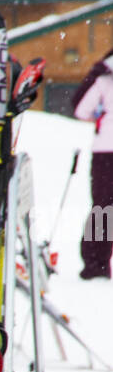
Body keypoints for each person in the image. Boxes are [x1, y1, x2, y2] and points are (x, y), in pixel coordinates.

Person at [73, 48, 113, 279]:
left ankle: (95, 262)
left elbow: (81, 109)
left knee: (103, 206)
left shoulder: (104, 75)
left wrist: (101, 116)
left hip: (105, 150)